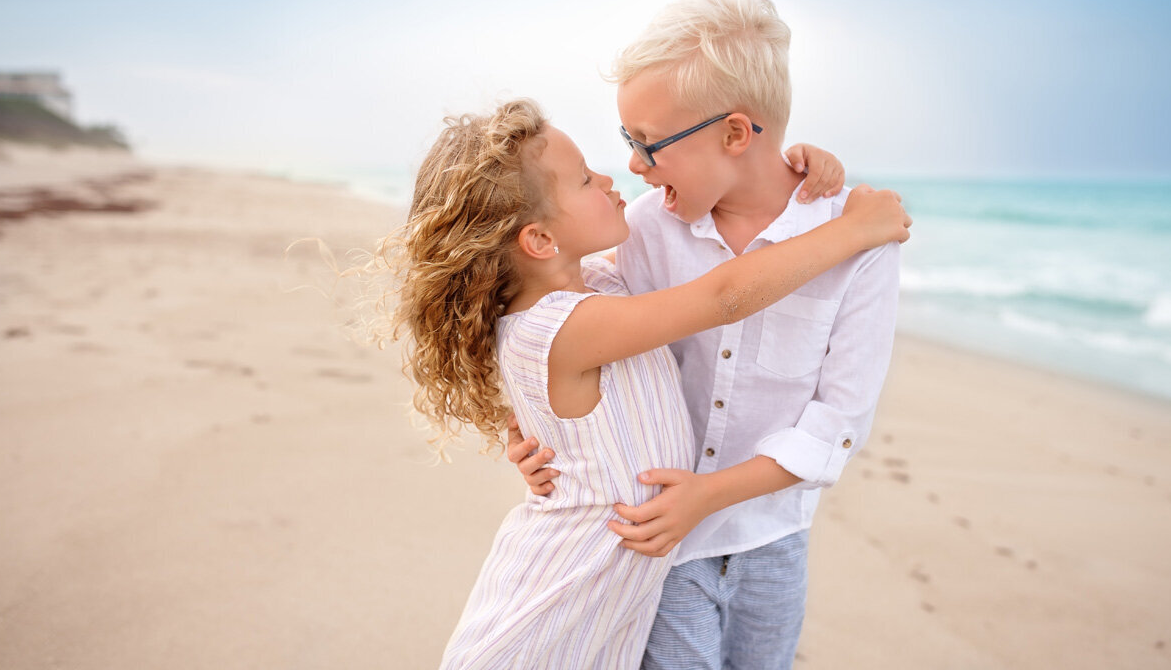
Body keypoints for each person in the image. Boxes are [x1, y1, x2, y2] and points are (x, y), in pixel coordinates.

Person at [387, 97, 910, 669]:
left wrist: (802, 179)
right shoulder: (561, 328)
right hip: (554, 608)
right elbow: (724, 296)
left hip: (614, 598)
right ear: (538, 241)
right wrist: (854, 230)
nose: (612, 176)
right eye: (586, 179)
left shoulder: (603, 285)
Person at [507, 0, 904, 669]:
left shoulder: (855, 238)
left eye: (649, 143)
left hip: (772, 541)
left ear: (735, 133)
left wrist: (711, 497)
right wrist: (526, 431)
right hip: (658, 542)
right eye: (628, 140)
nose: (634, 164)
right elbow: (569, 333)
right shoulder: (642, 231)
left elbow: (838, 419)